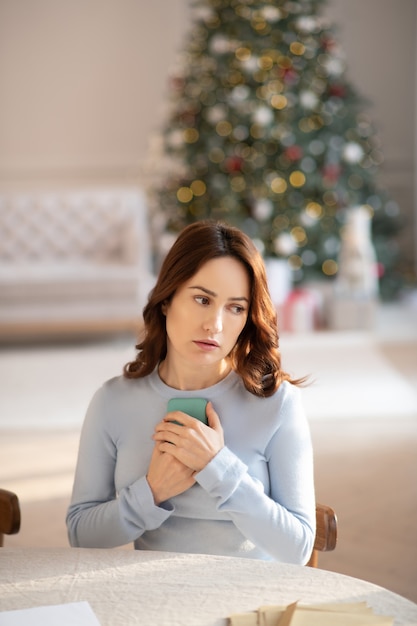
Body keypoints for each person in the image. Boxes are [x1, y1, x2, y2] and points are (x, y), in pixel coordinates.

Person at [66, 220, 316, 564]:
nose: (214, 324)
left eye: (236, 308)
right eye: (202, 299)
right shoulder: (112, 402)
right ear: (167, 299)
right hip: (155, 601)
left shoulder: (278, 404)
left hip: (248, 604)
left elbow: (299, 549)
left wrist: (220, 468)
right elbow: (81, 535)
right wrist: (152, 492)